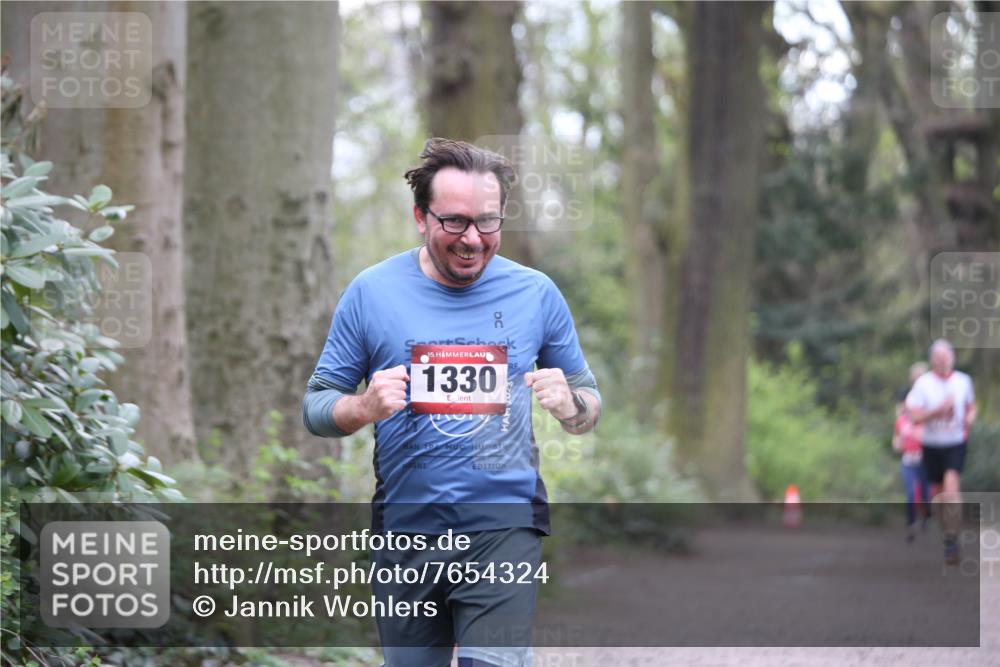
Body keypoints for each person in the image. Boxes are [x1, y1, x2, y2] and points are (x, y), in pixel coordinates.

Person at [302, 138, 601, 667]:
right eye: (455, 222)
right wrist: (363, 408)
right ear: (421, 217)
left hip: (503, 525)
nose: (472, 239)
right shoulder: (372, 293)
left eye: (488, 223)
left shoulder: (536, 294)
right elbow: (316, 406)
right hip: (405, 530)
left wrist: (570, 405)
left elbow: (589, 404)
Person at [905, 339, 977, 565]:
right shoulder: (923, 384)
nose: (944, 361)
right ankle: (947, 534)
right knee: (938, 495)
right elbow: (915, 417)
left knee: (951, 486)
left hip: (955, 442)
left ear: (953, 358)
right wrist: (937, 411)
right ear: (932, 360)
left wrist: (970, 418)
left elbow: (971, 406)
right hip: (932, 445)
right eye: (939, 358)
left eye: (947, 357)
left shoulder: (964, 381)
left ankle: (953, 539)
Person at [892, 362, 930, 542]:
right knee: (910, 493)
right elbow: (898, 433)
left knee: (925, 494)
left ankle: (925, 518)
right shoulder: (903, 413)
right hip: (909, 460)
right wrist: (899, 441)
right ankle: (911, 524)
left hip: (925, 459)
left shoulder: (932, 396)